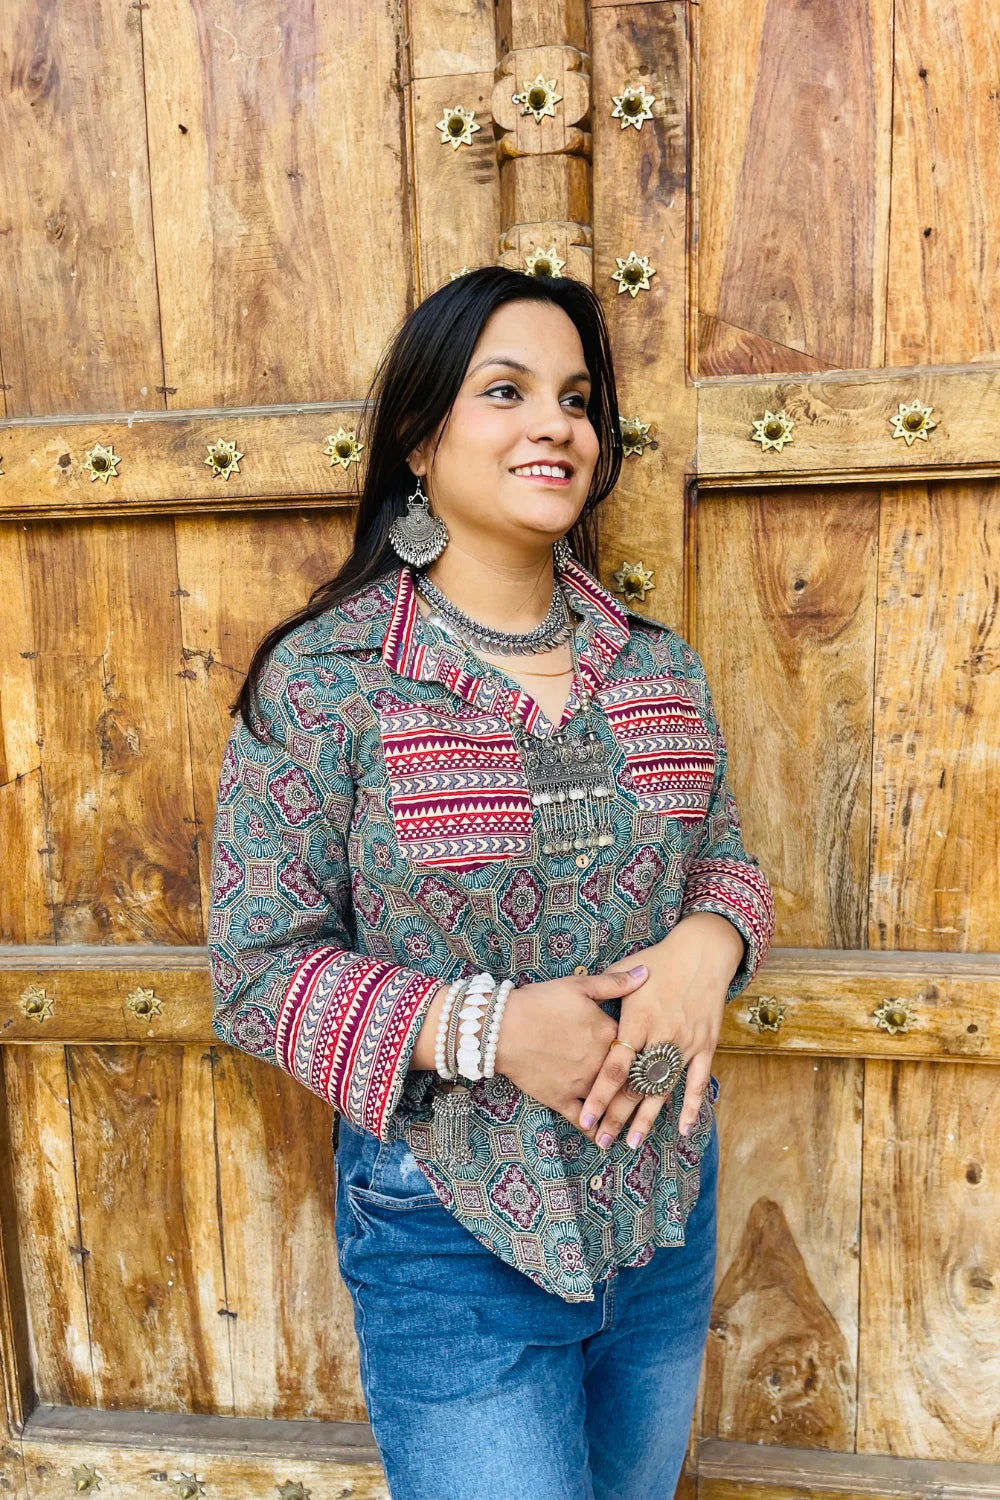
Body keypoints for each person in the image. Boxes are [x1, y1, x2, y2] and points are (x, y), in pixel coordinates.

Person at [208, 264, 775, 1500]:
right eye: (504, 390)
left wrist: (705, 951)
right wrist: (491, 1027)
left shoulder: (655, 668)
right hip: (449, 1226)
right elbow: (256, 969)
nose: (553, 424)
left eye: (575, 398)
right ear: (421, 436)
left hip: (659, 1205)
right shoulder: (330, 678)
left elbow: (724, 860)